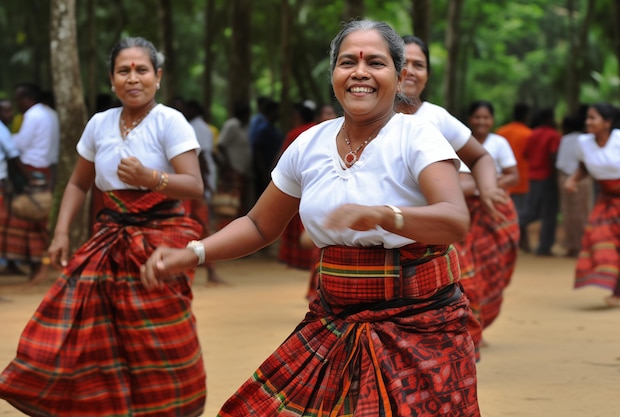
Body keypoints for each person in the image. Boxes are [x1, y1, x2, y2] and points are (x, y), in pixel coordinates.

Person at [142, 20, 480, 416]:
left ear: (400, 75)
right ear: (334, 75)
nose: (360, 72)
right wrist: (194, 253)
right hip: (333, 321)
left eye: (375, 62)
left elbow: (454, 218)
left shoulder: (418, 137)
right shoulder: (309, 144)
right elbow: (258, 225)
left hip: (419, 325)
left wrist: (384, 215)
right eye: (347, 62)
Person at [0, 37, 207, 416]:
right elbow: (78, 183)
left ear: (157, 77)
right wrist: (61, 232)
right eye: (123, 70)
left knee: (156, 331)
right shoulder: (99, 124)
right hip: (109, 235)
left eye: (141, 70)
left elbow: (194, 185)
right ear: (112, 79)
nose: (133, 78)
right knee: (76, 316)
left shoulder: (170, 121)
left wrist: (151, 178)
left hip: (161, 235)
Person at [396, 35, 508, 219]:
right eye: (403, 63)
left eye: (419, 65)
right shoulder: (371, 117)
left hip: (425, 227)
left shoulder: (436, 117)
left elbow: (480, 157)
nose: (410, 71)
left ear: (427, 75)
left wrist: (487, 189)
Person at [454, 100, 520, 357]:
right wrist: (475, 187)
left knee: (495, 265)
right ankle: (471, 327)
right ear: (470, 119)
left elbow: (513, 175)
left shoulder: (499, 143)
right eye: (477, 117)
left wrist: (487, 185)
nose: (481, 122)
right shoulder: (457, 142)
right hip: (465, 211)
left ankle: (480, 322)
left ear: (492, 120)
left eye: (486, 117)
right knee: (469, 274)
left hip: (494, 210)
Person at [565, 102, 620, 308]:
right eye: (588, 118)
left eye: (593, 118)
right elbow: (584, 167)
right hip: (607, 199)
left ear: (607, 122)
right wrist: (573, 179)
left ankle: (619, 290)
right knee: (600, 238)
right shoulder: (584, 142)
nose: (588, 122)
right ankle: (614, 283)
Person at [6, 82, 59, 283]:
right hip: (46, 170)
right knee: (40, 219)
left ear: (26, 98)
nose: (17, 104)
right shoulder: (51, 114)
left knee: (29, 219)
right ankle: (38, 265)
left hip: (30, 170)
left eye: (18, 99)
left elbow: (19, 145)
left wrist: (6, 137)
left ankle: (37, 266)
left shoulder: (32, 115)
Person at [185, 99, 225, 285]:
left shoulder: (188, 127)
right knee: (200, 226)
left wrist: (204, 183)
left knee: (202, 225)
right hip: (182, 187)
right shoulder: (189, 126)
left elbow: (199, 158)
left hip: (191, 187)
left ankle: (210, 270)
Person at [277, 100, 318, 270]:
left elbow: (283, 158)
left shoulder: (295, 133)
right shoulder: (319, 130)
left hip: (299, 182)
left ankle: (296, 259)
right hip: (314, 182)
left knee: (295, 221)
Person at [519, 108, 561, 256]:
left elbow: (525, 154)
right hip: (547, 177)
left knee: (532, 209)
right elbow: (553, 155)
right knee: (549, 213)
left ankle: (518, 224)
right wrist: (556, 178)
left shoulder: (532, 134)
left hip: (533, 176)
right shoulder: (553, 135)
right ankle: (544, 247)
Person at [556, 113, 592, 257]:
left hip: (565, 177)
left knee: (568, 212)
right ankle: (582, 245)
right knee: (583, 213)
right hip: (582, 179)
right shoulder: (586, 140)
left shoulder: (565, 139)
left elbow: (560, 162)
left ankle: (573, 245)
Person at [214, 102, 253, 226]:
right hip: (233, 168)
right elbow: (221, 145)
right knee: (229, 201)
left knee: (239, 201)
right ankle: (225, 227)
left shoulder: (245, 127)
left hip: (242, 169)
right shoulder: (232, 125)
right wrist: (228, 165)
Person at [496, 103, 533, 222]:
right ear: (526, 116)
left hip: (502, 181)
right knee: (521, 215)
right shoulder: (529, 134)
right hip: (523, 180)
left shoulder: (501, 132)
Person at [0, 99, 21, 277]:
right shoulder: (2, 130)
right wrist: (30, 179)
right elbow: (13, 155)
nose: (10, 114)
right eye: (6, 111)